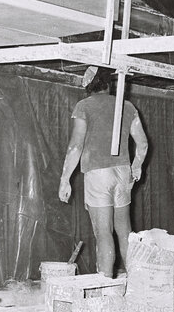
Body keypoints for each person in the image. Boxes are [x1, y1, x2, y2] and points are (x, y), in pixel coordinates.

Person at [59, 67, 148, 277]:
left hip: (98, 173)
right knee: (124, 232)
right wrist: (136, 166)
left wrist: (65, 179)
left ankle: (107, 288)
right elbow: (142, 144)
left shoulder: (84, 106)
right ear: (109, 84)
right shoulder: (127, 106)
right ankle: (136, 284)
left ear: (89, 88)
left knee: (103, 233)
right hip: (123, 172)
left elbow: (75, 146)